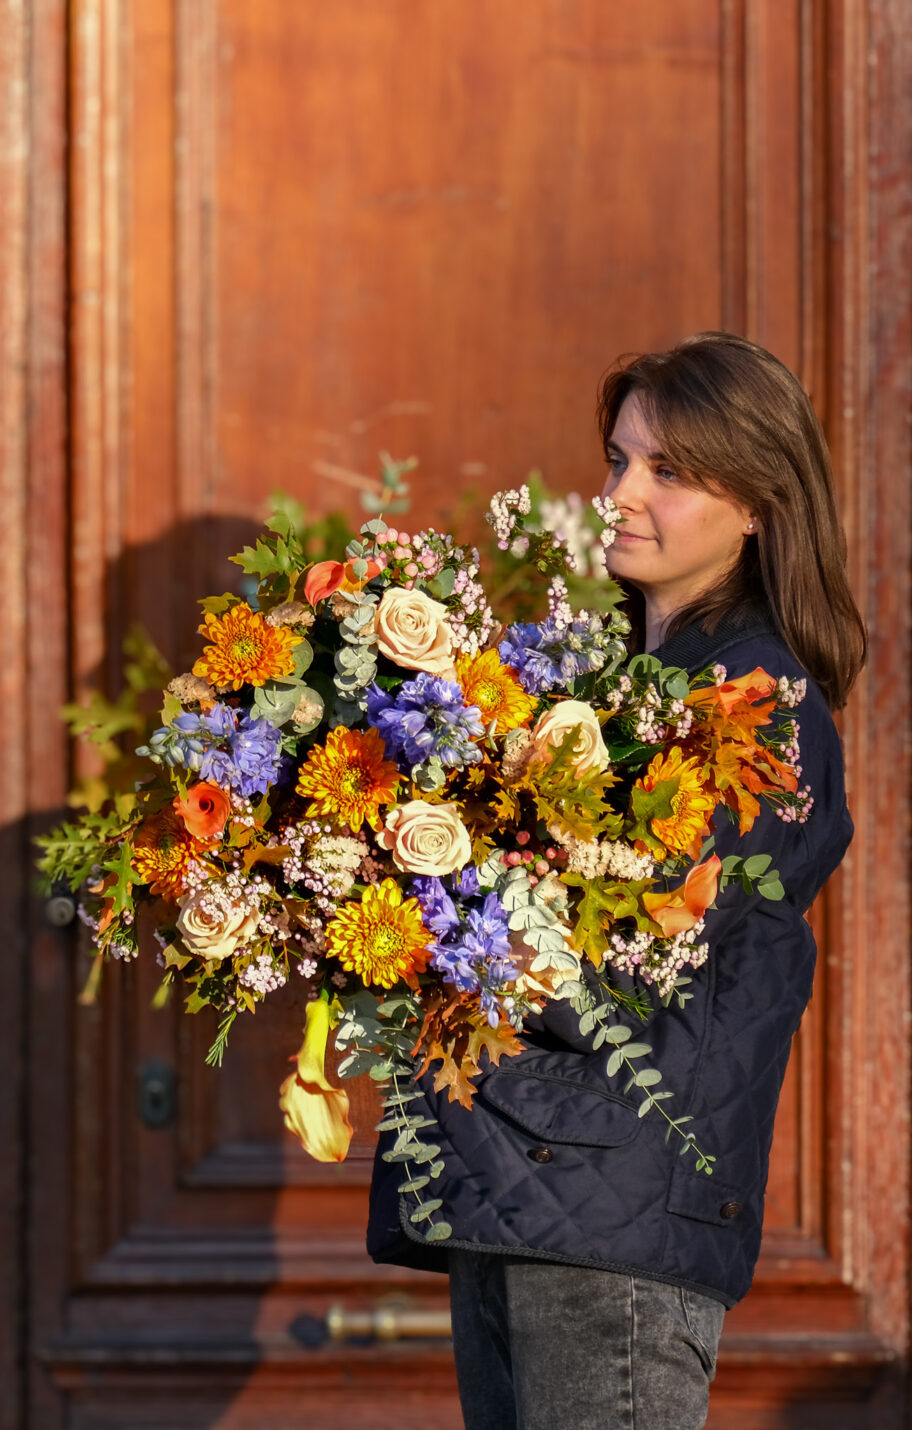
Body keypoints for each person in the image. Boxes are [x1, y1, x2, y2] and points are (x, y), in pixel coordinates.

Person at [366, 332, 866, 1429]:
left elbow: (637, 956)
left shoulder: (758, 708)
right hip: (518, 1185)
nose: (620, 493)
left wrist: (412, 916)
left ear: (757, 505)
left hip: (619, 1210)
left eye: (668, 470)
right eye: (616, 459)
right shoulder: (601, 679)